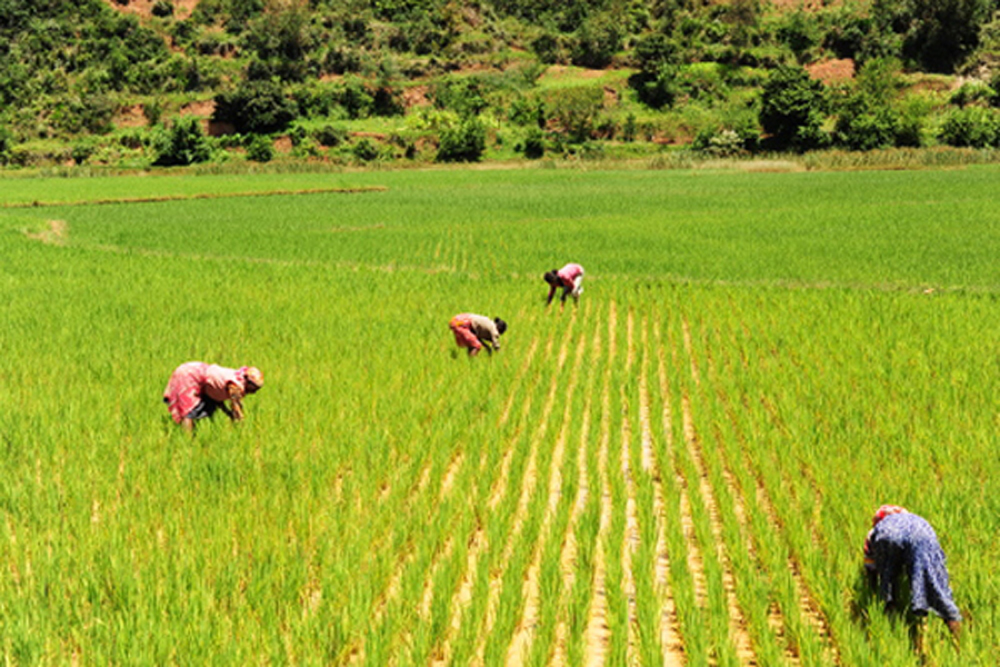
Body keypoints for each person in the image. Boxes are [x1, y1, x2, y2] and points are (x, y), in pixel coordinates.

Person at [863, 505, 961, 648]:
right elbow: (935, 559)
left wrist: (875, 590)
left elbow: (870, 566)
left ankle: (893, 634)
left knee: (888, 590)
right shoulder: (917, 521)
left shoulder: (878, 529)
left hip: (887, 536)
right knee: (939, 593)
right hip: (923, 536)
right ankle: (959, 639)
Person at [163, 362, 264, 432]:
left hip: (201, 377)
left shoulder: (236, 378)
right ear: (247, 381)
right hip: (191, 376)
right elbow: (236, 407)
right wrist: (242, 425)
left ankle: (191, 434)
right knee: (188, 411)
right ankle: (187, 441)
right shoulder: (236, 385)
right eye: (254, 387)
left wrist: (228, 413)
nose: (254, 392)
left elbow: (217, 398)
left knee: (207, 408)